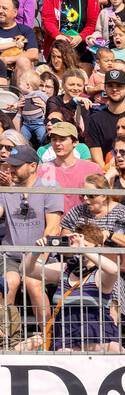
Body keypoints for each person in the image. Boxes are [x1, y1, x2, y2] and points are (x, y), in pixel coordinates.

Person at [15, 224, 123, 352]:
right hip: (66, 335)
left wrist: (83, 249)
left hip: (97, 335)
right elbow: (26, 270)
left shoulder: (99, 274)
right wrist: (37, 250)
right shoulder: (65, 269)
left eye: (86, 246)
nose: (80, 251)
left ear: (98, 247)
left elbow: (114, 270)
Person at [0, 145, 59, 344]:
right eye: (9, 166)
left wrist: (38, 257)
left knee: (33, 283)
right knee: (8, 284)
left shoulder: (49, 188)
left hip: (39, 254)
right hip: (11, 255)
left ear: (33, 166)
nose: (11, 170)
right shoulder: (6, 189)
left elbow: (53, 228)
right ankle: (8, 338)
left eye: (16, 166)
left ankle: (48, 336)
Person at [35, 120, 100, 211]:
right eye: (54, 139)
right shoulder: (42, 170)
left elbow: (102, 200)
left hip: (84, 223)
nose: (57, 143)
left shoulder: (92, 169)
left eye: (62, 139)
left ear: (75, 142)